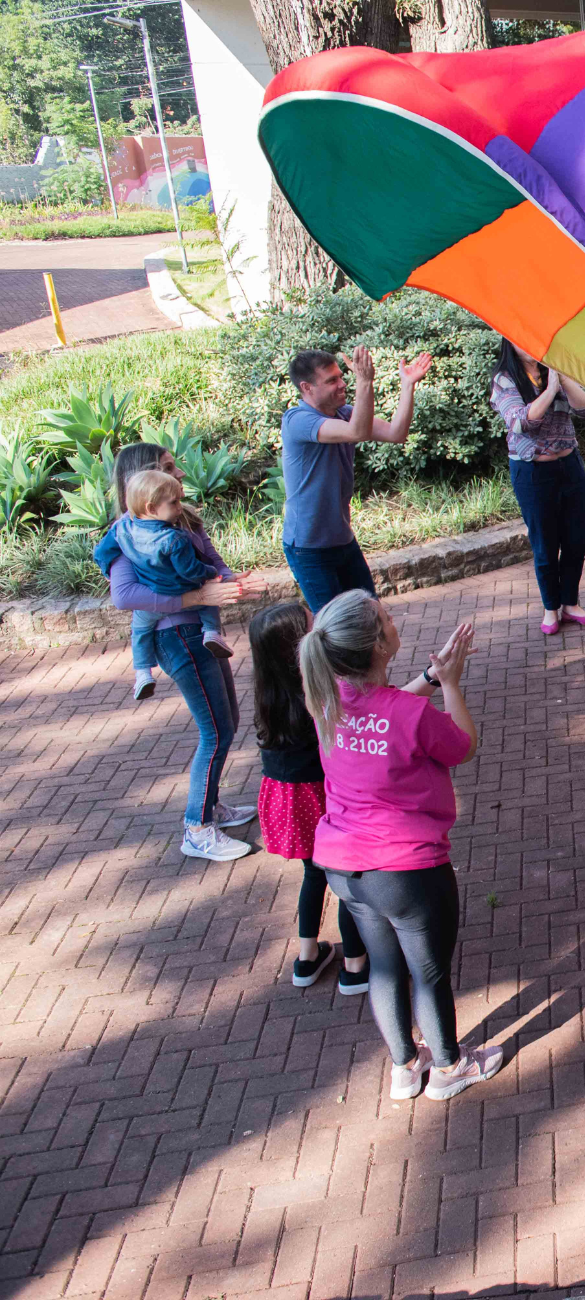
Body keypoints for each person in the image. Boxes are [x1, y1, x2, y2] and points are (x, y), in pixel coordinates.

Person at [300, 591, 503, 1101]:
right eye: (387, 619)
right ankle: (451, 1069)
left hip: (344, 869)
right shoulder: (409, 715)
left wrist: (430, 680)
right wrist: (452, 687)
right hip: (408, 870)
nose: (394, 621)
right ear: (377, 645)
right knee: (429, 973)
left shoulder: (324, 696)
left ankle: (405, 1068)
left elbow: (379, 709)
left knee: (384, 968)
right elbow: (462, 746)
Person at [105, 443, 260, 861]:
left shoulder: (182, 518)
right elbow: (125, 597)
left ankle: (210, 806)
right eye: (171, 469)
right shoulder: (127, 533)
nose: (183, 474)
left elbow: (209, 561)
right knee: (215, 732)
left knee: (227, 722)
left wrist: (228, 578)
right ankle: (196, 828)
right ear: (147, 483)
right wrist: (195, 597)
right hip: (177, 638)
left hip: (199, 634)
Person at [248, 602, 368, 993]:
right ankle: (355, 964)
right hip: (318, 795)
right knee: (347, 875)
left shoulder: (266, 694)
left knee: (313, 873)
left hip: (285, 797)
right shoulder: (314, 695)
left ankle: (307, 957)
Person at [280, 345, 432, 613]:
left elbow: (396, 433)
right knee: (337, 633)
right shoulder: (297, 420)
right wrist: (365, 380)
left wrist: (407, 385)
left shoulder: (346, 413)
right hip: (309, 549)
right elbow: (357, 432)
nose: (342, 384)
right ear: (307, 387)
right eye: (331, 380)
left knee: (371, 617)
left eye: (341, 377)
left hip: (343, 540)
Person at [490, 338, 585, 636]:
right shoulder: (504, 379)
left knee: (576, 540)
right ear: (510, 345)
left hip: (570, 467)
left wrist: (560, 376)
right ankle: (551, 608)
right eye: (520, 338)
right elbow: (520, 421)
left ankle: (571, 604)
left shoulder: (554, 371)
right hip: (533, 471)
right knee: (546, 544)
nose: (529, 344)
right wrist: (550, 391)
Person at [93, 468, 232, 701]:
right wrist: (210, 574)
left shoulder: (122, 529)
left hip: (153, 600)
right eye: (175, 502)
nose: (179, 507)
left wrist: (105, 567)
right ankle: (211, 633)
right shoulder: (175, 538)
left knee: (139, 631)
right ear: (151, 507)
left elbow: (102, 551)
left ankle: (143, 673)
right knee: (208, 601)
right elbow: (189, 571)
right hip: (184, 594)